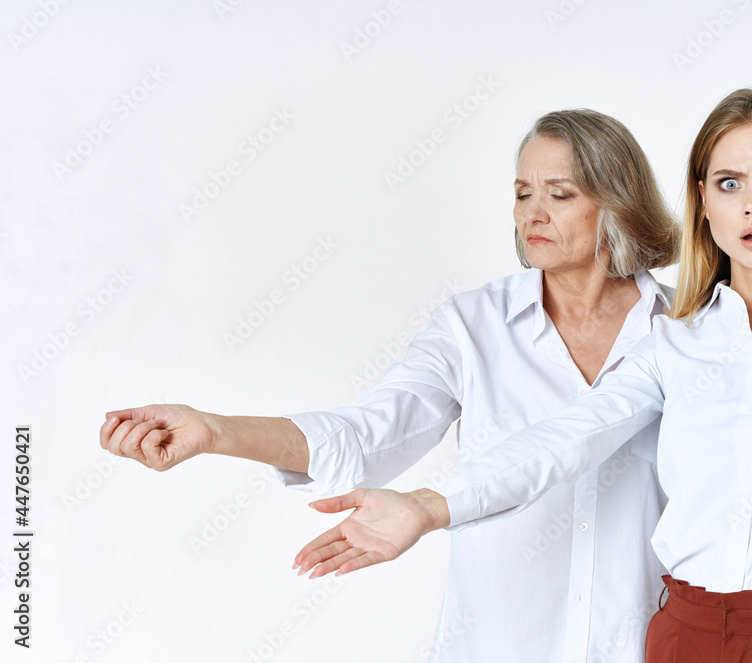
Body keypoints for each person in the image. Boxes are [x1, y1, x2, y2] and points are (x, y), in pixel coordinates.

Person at [291, 87, 752, 662]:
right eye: (729, 183)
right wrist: (429, 507)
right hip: (686, 632)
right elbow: (565, 439)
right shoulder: (676, 338)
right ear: (702, 200)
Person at [100, 109, 683, 662]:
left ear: (619, 204)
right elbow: (366, 437)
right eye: (521, 193)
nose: (532, 213)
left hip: (644, 645)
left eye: (559, 195)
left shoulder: (687, 331)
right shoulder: (472, 327)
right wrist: (216, 431)